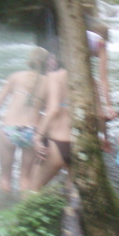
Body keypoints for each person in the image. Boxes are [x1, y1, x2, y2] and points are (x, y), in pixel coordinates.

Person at [0, 47, 48, 195]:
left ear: (29, 60)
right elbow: (49, 111)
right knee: (25, 178)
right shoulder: (48, 83)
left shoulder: (15, 77)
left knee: (5, 177)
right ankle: (24, 213)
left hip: (9, 130)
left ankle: (4, 212)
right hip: (31, 132)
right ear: (46, 63)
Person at [31, 56, 71, 190]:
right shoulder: (90, 80)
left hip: (58, 141)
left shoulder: (54, 77)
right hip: (81, 144)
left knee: (34, 190)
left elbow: (53, 109)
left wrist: (37, 137)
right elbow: (100, 114)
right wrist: (105, 138)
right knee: (71, 195)